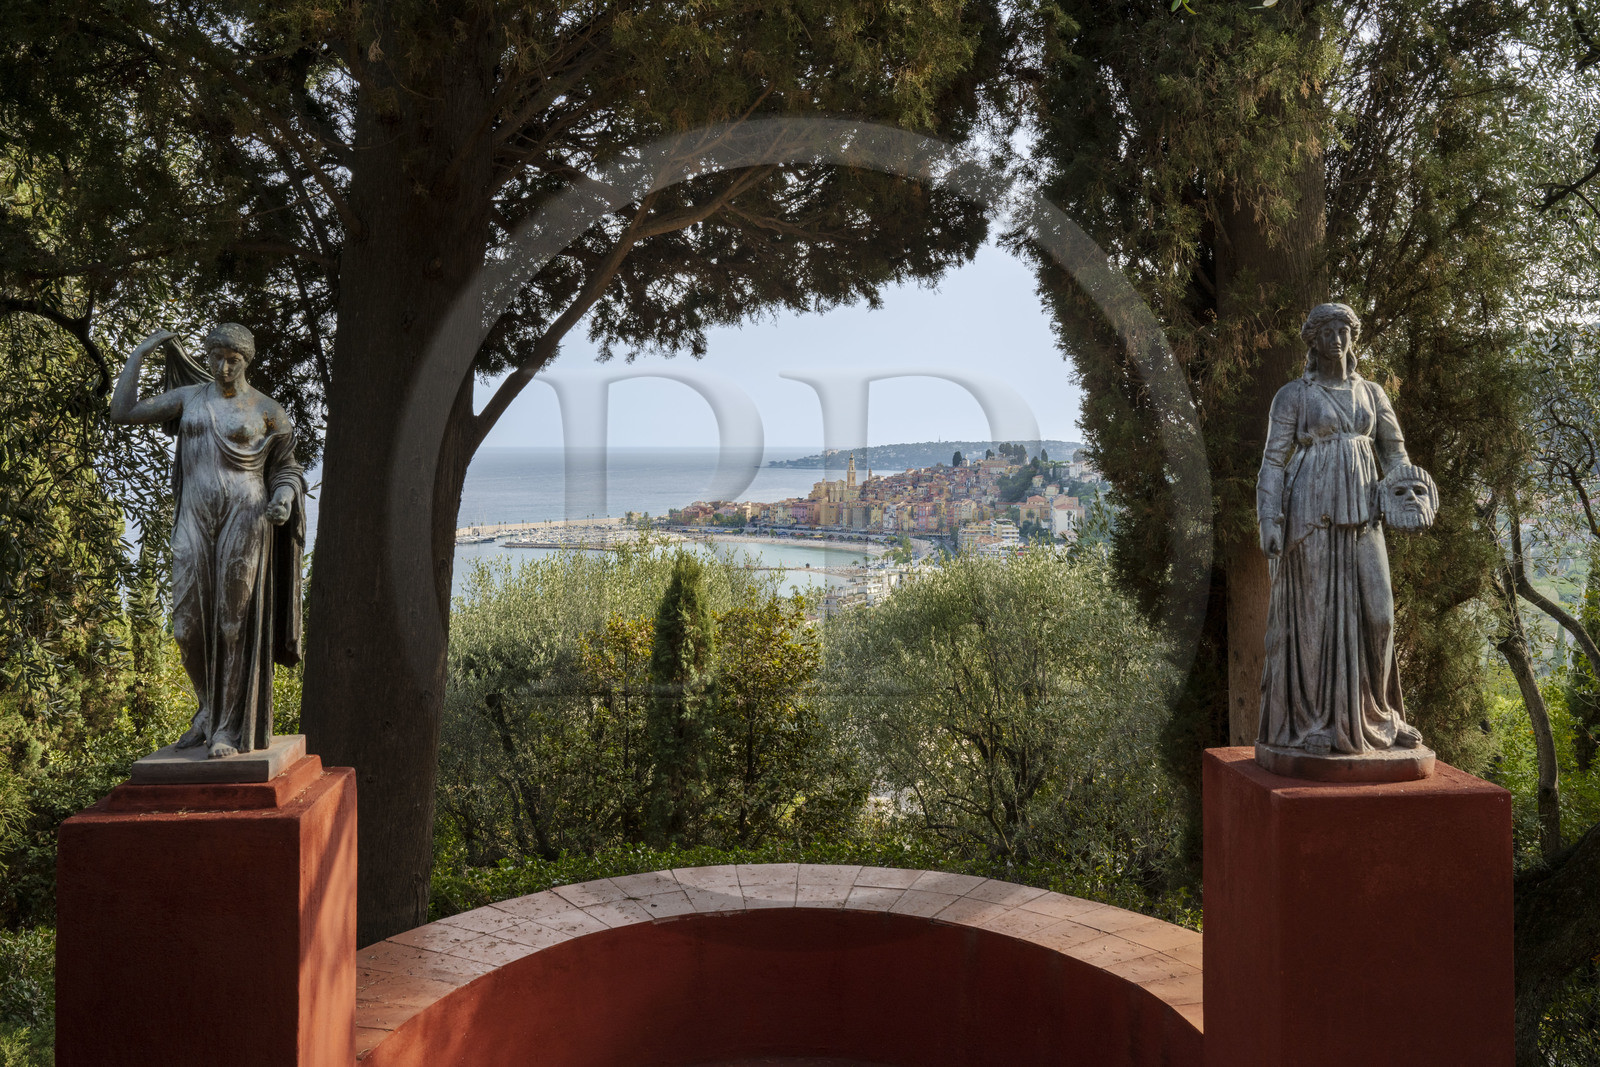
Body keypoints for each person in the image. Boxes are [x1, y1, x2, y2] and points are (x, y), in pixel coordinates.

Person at [110, 323, 305, 758]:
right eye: (216, 357)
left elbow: (287, 468)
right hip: (195, 516)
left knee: (232, 623)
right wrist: (139, 354)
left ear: (246, 359)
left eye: (232, 358)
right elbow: (122, 412)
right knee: (185, 626)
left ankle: (227, 730)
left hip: (246, 514)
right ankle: (206, 707)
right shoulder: (189, 398)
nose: (223, 366)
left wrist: (284, 498)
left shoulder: (268, 410)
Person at [1256, 302, 1430, 756]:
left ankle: (1381, 714)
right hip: (1310, 516)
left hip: (1366, 513)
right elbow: (1273, 462)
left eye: (1344, 330)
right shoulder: (1293, 395)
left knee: (1380, 614)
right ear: (1313, 340)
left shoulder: (1372, 394)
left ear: (1353, 337)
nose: (1337, 338)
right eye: (1327, 331)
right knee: (1314, 620)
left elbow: (1395, 455)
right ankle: (1316, 722)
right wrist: (1268, 520)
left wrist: (1410, 495)